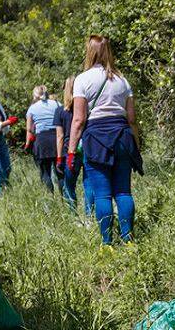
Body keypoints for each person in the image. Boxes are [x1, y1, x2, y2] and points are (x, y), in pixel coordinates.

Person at [69, 35, 141, 244]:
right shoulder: (122, 80)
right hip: (122, 137)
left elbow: (79, 119)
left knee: (102, 195)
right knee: (123, 192)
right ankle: (128, 240)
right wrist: (135, 146)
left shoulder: (83, 79)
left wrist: (71, 151)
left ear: (89, 52)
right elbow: (132, 119)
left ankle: (107, 243)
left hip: (97, 139)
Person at [25, 84, 62, 192]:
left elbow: (29, 129)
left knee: (45, 173)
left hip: (41, 140)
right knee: (60, 172)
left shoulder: (32, 108)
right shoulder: (56, 104)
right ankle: (65, 200)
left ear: (35, 95)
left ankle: (50, 197)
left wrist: (29, 142)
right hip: (57, 138)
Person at [54, 78, 78, 209]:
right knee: (89, 183)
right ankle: (89, 213)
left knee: (69, 186)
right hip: (84, 147)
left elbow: (60, 135)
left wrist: (59, 158)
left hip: (68, 150)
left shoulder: (59, 111)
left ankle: (73, 213)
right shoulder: (84, 107)